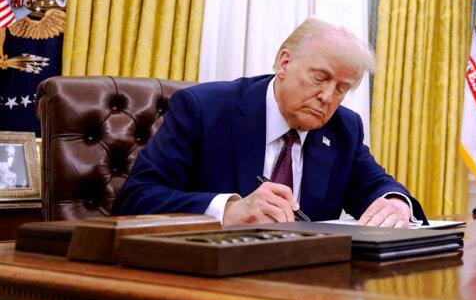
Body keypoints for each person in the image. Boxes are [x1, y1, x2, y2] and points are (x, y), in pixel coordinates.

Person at [114, 18, 422, 227]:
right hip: (209, 282)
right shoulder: (204, 109)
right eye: (320, 77)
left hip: (304, 287)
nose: (327, 96)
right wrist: (229, 210)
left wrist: (394, 202)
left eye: (342, 88)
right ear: (284, 63)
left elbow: (376, 185)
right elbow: (136, 199)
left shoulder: (343, 128)